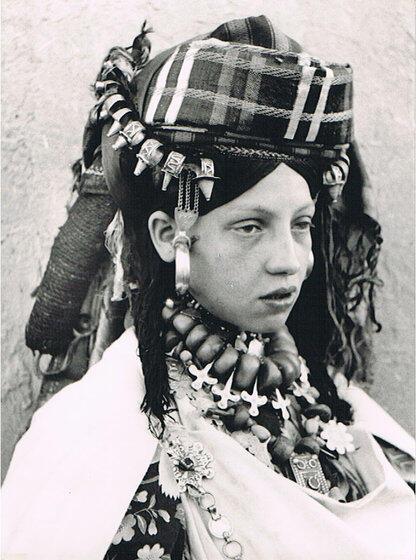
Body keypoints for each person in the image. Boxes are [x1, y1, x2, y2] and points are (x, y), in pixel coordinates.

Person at [2, 15, 414, 560]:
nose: (289, 263)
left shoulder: (322, 391)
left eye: (300, 224)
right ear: (172, 236)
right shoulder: (101, 438)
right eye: (250, 227)